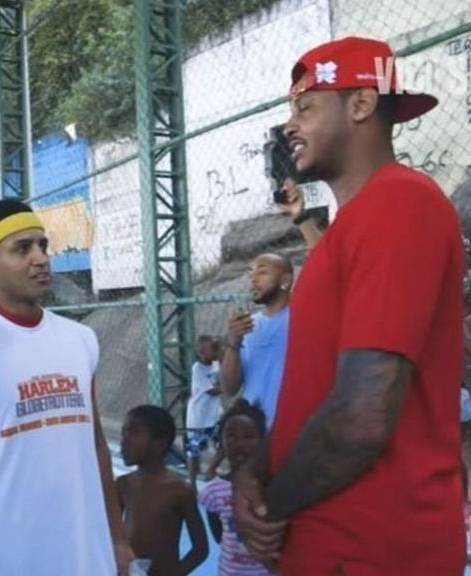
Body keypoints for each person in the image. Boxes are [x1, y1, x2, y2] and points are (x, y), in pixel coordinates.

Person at [234, 37, 466, 574]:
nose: (289, 125)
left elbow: (364, 413)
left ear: (361, 104)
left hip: (371, 551)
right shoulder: (347, 229)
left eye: (305, 107)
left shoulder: (398, 203)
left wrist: (270, 507)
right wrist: (254, 471)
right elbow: (314, 393)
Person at [0, 198, 134, 576]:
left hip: (86, 559)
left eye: (42, 245)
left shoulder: (81, 340)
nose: (40, 258)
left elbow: (96, 444)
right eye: (22, 249)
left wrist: (117, 539)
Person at [117, 405, 208, 576]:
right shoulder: (123, 485)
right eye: (123, 433)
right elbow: (111, 533)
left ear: (160, 443)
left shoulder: (180, 491)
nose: (124, 440)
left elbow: (200, 549)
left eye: (133, 433)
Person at [220, 253, 293, 429]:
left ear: (286, 280)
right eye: (251, 273)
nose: (253, 279)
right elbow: (229, 389)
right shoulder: (248, 325)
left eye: (262, 272)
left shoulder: (303, 318)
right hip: (255, 433)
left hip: (296, 428)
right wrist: (234, 344)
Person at [200, 399, 270, 576]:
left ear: (263, 441)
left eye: (248, 436)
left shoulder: (273, 487)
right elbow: (219, 536)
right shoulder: (212, 491)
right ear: (221, 440)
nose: (240, 443)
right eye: (231, 435)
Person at [186, 335, 223, 490]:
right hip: (199, 417)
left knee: (223, 445)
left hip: (214, 415)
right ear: (202, 352)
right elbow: (212, 390)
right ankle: (192, 483)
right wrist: (227, 385)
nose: (216, 351)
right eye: (212, 349)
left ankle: (211, 469)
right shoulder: (197, 368)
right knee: (194, 451)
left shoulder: (217, 364)